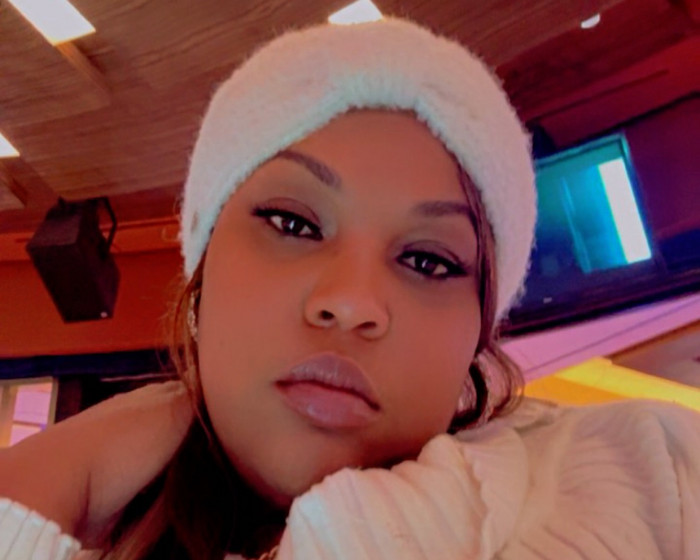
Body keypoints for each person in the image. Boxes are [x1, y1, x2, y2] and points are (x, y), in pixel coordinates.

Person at [1, 17, 699, 560]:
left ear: (477, 338)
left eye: (428, 261)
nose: (353, 302)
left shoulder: (646, 478)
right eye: (293, 223)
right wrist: (62, 473)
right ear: (202, 270)